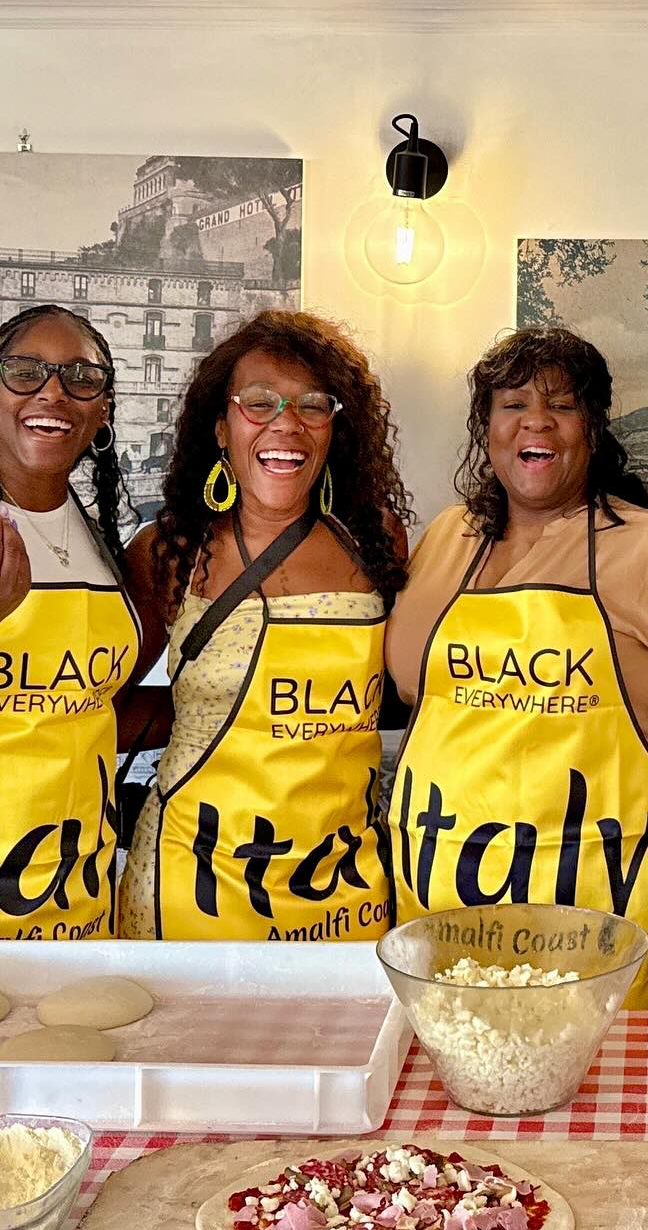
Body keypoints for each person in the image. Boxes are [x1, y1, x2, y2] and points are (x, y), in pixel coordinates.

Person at [385, 327, 648, 1010]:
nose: (536, 421)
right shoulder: (444, 540)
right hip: (440, 897)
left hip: (600, 909)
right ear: (487, 429)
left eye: (562, 405)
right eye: (514, 404)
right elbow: (407, 688)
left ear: (593, 430)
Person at [118, 310, 411, 940]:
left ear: (336, 427)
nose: (286, 423)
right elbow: (102, 702)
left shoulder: (376, 540)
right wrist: (203, 712)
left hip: (341, 888)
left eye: (312, 404)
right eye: (258, 403)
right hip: (191, 880)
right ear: (221, 429)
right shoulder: (169, 550)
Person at [0, 304, 139, 940]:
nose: (53, 391)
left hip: (81, 894)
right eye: (25, 371)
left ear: (102, 411)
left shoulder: (98, 537)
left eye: (82, 378)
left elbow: (100, 707)